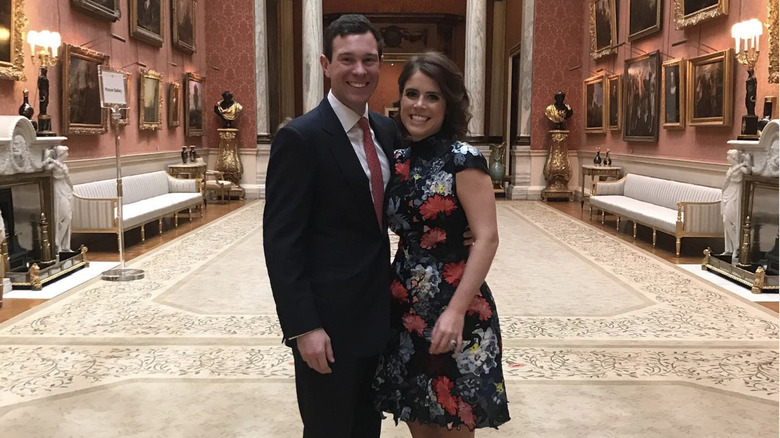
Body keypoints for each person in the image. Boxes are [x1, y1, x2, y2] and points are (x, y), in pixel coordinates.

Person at [263, 14, 402, 438]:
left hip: (377, 315)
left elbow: (402, 207)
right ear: (326, 64)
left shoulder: (385, 130)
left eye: (369, 60)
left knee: (365, 426)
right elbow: (282, 243)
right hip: (327, 324)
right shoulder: (300, 138)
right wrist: (304, 327)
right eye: (347, 60)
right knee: (328, 429)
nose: (359, 71)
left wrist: (460, 229)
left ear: (380, 63)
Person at [373, 51, 510, 436]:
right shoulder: (396, 158)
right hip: (404, 309)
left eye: (432, 96)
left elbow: (487, 237)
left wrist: (456, 310)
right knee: (419, 418)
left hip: (457, 304)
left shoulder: (463, 160)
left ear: (447, 103)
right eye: (412, 94)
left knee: (452, 418)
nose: (419, 105)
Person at [721, 149, 751, 261]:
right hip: (727, 193)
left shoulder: (739, 169)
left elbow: (748, 171)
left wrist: (745, 162)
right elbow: (725, 182)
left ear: (733, 158)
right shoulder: (731, 168)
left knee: (729, 220)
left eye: (728, 156)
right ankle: (729, 248)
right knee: (725, 221)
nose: (726, 158)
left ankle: (736, 246)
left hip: (736, 193)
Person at [43, 145, 73, 253]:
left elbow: (68, 178)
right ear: (61, 154)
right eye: (66, 153)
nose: (68, 155)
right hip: (57, 188)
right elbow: (45, 167)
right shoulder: (55, 165)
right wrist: (47, 156)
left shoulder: (63, 165)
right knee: (59, 217)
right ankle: (57, 244)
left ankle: (64, 245)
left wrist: (71, 187)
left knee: (68, 217)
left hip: (65, 188)